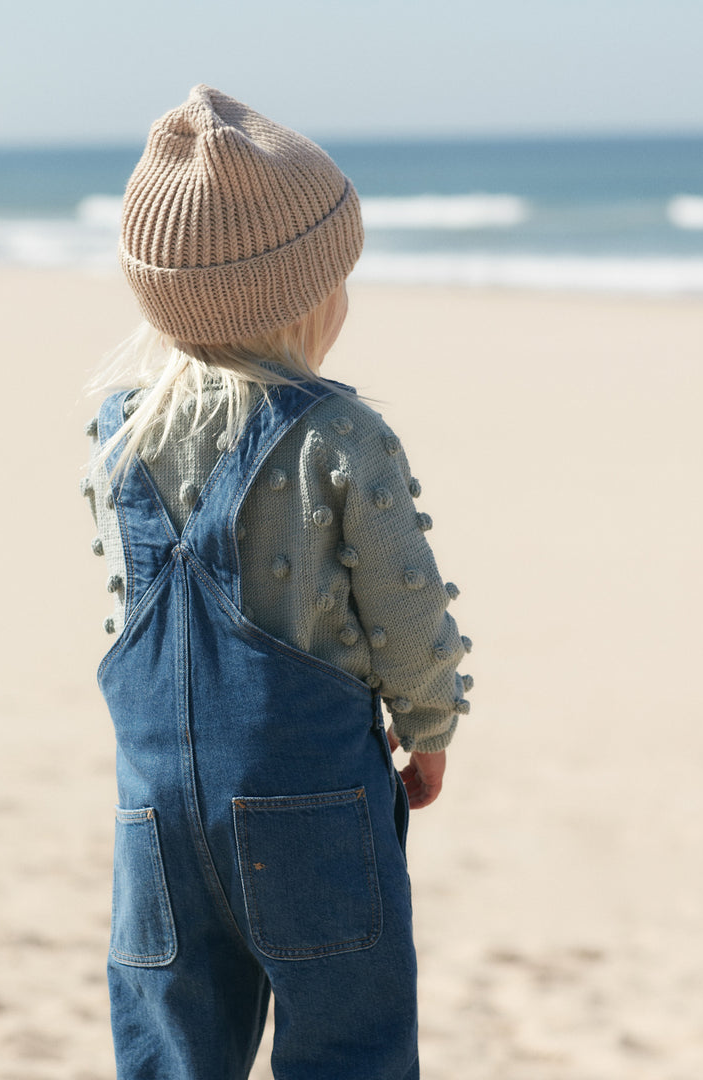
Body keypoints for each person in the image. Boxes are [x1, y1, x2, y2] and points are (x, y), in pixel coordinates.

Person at [81, 84, 472, 1080]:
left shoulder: (120, 437)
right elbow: (403, 603)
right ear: (311, 293)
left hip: (157, 813)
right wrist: (429, 727)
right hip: (312, 804)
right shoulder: (340, 434)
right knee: (349, 1045)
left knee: (173, 1049)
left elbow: (130, 610)